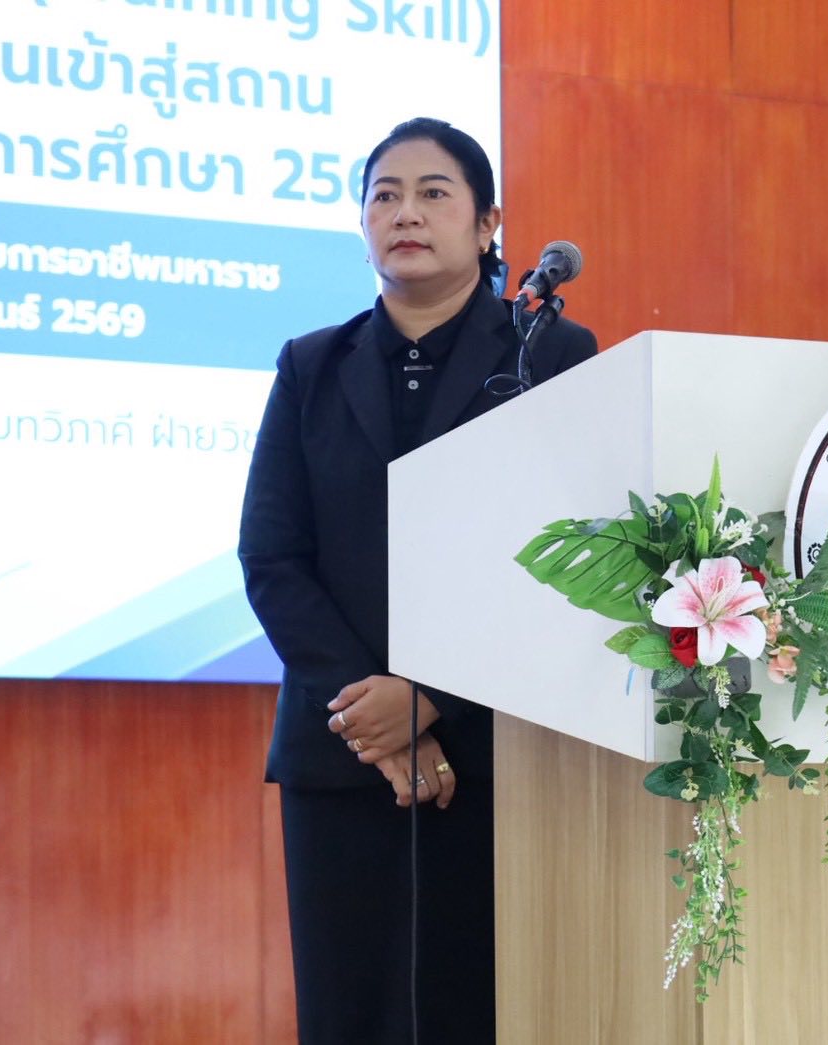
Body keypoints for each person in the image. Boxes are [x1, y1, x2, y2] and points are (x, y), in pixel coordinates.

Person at [238, 117, 598, 1044]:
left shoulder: (552, 356)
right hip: (342, 752)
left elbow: (571, 558)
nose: (405, 212)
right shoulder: (310, 364)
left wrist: (433, 698)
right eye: (384, 196)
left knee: (489, 1009)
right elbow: (272, 556)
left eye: (433, 193)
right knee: (348, 1014)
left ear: (487, 224)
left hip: (495, 753)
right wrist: (374, 714)